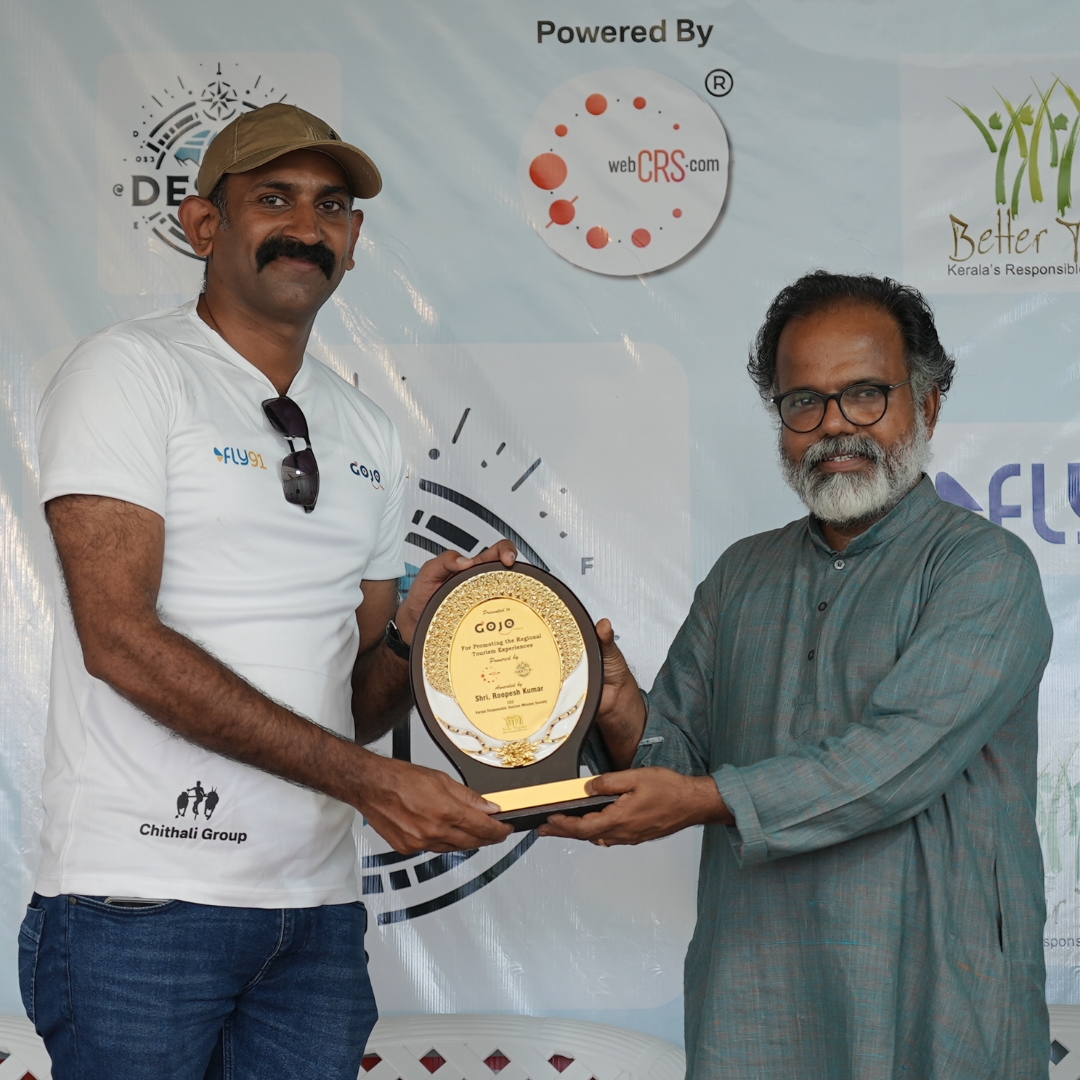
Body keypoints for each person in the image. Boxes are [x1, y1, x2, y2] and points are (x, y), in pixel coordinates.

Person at [21, 102, 513, 1080]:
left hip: (313, 918)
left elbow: (352, 704)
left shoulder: (369, 432)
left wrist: (412, 638)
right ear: (205, 224)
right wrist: (368, 784)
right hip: (141, 900)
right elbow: (117, 639)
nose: (308, 227)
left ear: (355, 242)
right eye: (274, 199)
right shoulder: (129, 372)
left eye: (332, 207)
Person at [542, 272, 1052, 1079]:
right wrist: (617, 705)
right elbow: (672, 759)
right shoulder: (741, 575)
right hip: (756, 988)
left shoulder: (984, 568)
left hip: (932, 987)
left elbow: (897, 760)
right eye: (804, 402)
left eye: (866, 395)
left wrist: (705, 800)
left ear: (928, 406)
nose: (834, 425)